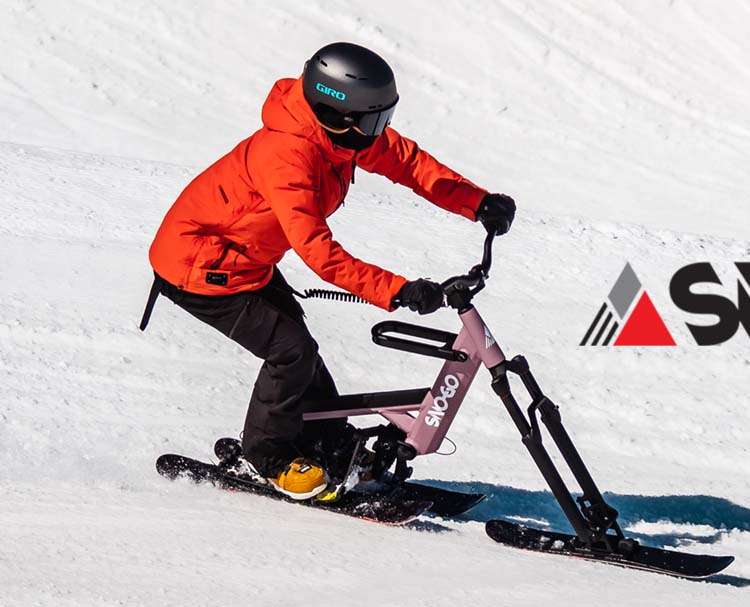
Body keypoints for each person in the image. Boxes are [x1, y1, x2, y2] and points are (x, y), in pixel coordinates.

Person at [143, 42, 516, 500]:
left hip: (246, 260)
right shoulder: (287, 155)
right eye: (373, 122)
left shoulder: (339, 138)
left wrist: (477, 202)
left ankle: (328, 440)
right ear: (336, 114)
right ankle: (269, 458)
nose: (379, 132)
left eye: (385, 119)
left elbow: (407, 162)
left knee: (300, 348)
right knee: (290, 351)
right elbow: (320, 253)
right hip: (199, 267)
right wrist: (399, 290)